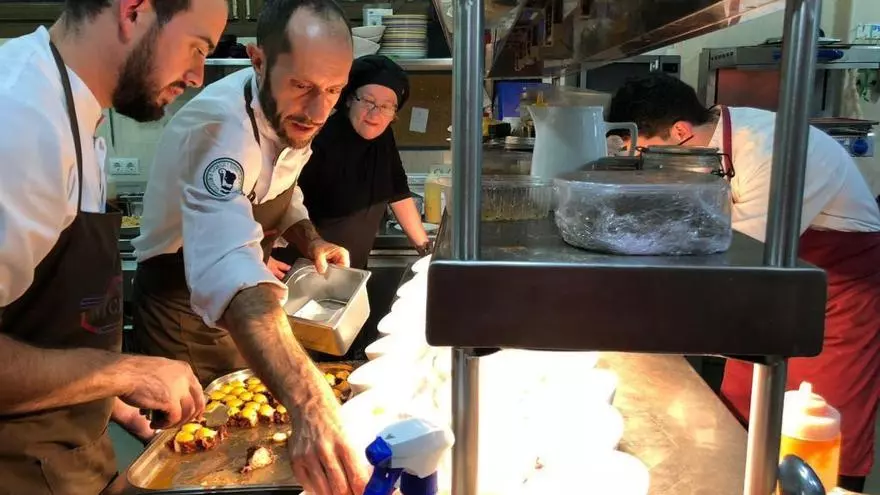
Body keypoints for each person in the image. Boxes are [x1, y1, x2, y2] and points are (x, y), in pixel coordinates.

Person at [130, 0, 366, 492]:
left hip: (242, 309)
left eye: (334, 90)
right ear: (258, 60)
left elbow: (280, 188)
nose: (319, 110)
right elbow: (226, 258)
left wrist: (311, 238)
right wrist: (312, 400)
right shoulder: (218, 126)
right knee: (203, 458)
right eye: (303, 86)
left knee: (254, 436)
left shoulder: (288, 113)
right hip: (180, 310)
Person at [607, 74, 880, 492]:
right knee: (742, 412)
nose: (647, 163)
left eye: (645, 150)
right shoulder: (712, 142)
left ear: (679, 132)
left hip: (836, 292)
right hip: (768, 287)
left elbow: (736, 258)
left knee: (820, 425)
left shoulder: (775, 152)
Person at [0, 0, 226, 492]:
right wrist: (123, 371)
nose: (197, 77)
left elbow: (35, 321)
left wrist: (111, 399)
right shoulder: (19, 121)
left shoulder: (74, 114)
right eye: (196, 47)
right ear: (133, 10)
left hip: (70, 456)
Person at [275, 54, 430, 271]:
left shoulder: (383, 138)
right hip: (305, 269)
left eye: (386, 106)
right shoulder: (317, 139)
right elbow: (278, 204)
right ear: (348, 99)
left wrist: (426, 252)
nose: (375, 113)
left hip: (351, 271)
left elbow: (398, 192)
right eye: (368, 101)